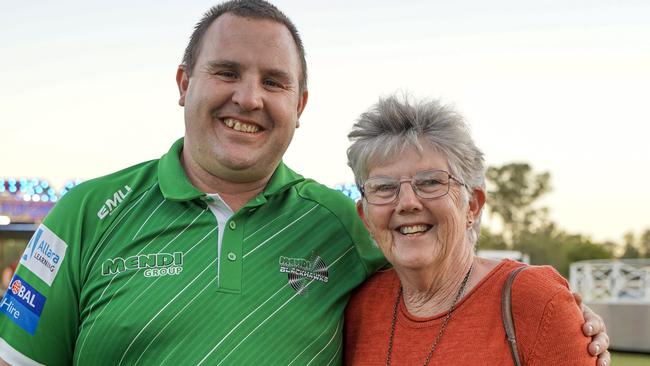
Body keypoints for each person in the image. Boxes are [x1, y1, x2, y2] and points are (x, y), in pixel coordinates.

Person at [0, 1, 609, 365]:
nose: (248, 97)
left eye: (274, 81)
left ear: (301, 102)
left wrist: (555, 311)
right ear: (184, 83)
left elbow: (438, 265)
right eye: (226, 72)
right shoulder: (83, 214)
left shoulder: (342, 224)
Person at [344, 95, 607, 365]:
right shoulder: (359, 308)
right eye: (384, 188)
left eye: (431, 182)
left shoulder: (534, 301)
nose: (407, 202)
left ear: (472, 204)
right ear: (365, 217)